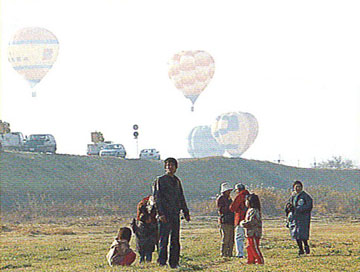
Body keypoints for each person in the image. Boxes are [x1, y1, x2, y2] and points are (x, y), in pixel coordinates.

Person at [153, 157, 190, 269]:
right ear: (165, 167)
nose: (170, 167)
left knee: (175, 239)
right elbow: (157, 198)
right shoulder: (160, 180)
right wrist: (160, 214)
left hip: (175, 214)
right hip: (164, 215)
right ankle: (162, 262)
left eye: (172, 165)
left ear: (176, 168)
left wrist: (186, 212)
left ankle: (174, 262)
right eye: (168, 165)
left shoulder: (177, 181)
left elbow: (181, 197)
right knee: (163, 240)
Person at [285, 180, 313, 256]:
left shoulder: (305, 196)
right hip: (294, 219)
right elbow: (288, 206)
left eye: (299, 187)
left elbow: (308, 206)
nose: (297, 188)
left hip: (303, 219)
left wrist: (297, 209)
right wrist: (288, 208)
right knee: (296, 235)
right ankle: (300, 249)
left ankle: (306, 246)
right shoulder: (292, 197)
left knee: (302, 234)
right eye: (296, 187)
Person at [131, 195, 158, 263]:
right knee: (148, 250)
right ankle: (146, 260)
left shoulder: (138, 225)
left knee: (142, 250)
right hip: (148, 232)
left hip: (141, 241)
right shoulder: (152, 226)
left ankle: (142, 260)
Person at [240, 193, 264, 264]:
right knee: (249, 247)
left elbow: (252, 222)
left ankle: (260, 260)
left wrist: (243, 223)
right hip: (249, 233)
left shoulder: (254, 211)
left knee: (254, 247)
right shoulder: (250, 210)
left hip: (254, 233)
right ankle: (251, 260)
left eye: (246, 201)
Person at [229, 183, 250, 258]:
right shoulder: (249, 196)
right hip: (249, 219)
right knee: (249, 237)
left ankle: (240, 254)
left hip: (240, 219)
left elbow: (232, 208)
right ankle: (250, 253)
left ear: (238, 190)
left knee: (239, 237)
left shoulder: (240, 196)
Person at [216, 182, 235, 257]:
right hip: (225, 221)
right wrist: (230, 207)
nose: (229, 192)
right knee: (226, 238)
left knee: (231, 239)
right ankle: (224, 253)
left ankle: (229, 253)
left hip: (231, 220)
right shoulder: (221, 199)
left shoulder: (229, 199)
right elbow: (221, 210)